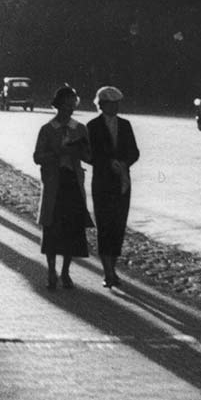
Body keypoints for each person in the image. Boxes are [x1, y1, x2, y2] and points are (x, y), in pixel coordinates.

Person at [34, 85, 92, 290]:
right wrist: (58, 153)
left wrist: (80, 152)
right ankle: (51, 270)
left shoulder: (80, 129)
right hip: (54, 183)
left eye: (72, 106)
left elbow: (89, 156)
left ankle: (66, 271)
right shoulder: (47, 129)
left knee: (72, 230)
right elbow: (37, 157)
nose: (69, 110)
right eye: (65, 106)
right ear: (57, 106)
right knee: (52, 228)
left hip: (73, 182)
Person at [87, 85, 139, 289]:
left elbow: (134, 151)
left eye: (117, 103)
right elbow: (90, 154)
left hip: (122, 182)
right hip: (102, 182)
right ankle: (107, 271)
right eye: (111, 104)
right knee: (104, 226)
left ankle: (113, 267)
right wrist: (107, 163)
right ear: (101, 105)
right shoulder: (92, 126)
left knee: (118, 226)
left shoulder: (125, 125)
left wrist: (124, 163)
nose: (115, 107)